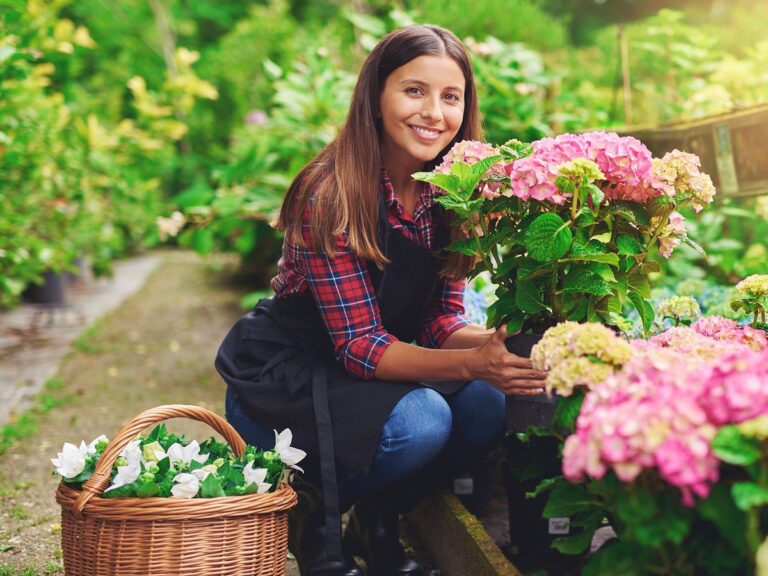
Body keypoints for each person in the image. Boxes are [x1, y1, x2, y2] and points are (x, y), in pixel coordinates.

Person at [215, 24, 547, 576]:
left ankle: (378, 517)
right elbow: (359, 346)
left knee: (487, 404)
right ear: (375, 97)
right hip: (287, 379)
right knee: (422, 422)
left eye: (451, 97)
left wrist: (496, 348)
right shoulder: (332, 193)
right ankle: (313, 511)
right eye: (413, 90)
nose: (433, 113)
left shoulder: (452, 191)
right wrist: (472, 362)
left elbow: (441, 319)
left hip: (364, 367)